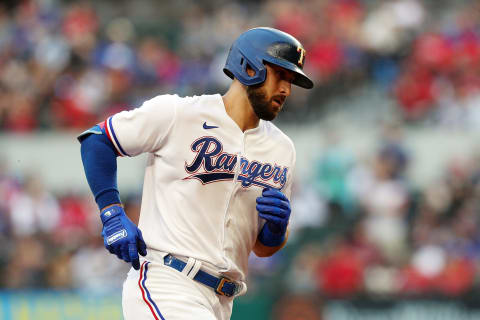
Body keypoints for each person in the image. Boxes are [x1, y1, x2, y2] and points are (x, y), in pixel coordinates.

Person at [79, 27, 313, 320]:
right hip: (168, 282)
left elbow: (263, 248)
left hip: (223, 301)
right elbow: (97, 140)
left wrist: (276, 231)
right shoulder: (179, 114)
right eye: (281, 75)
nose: (286, 90)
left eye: (292, 81)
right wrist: (111, 212)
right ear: (249, 66)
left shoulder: (282, 149)